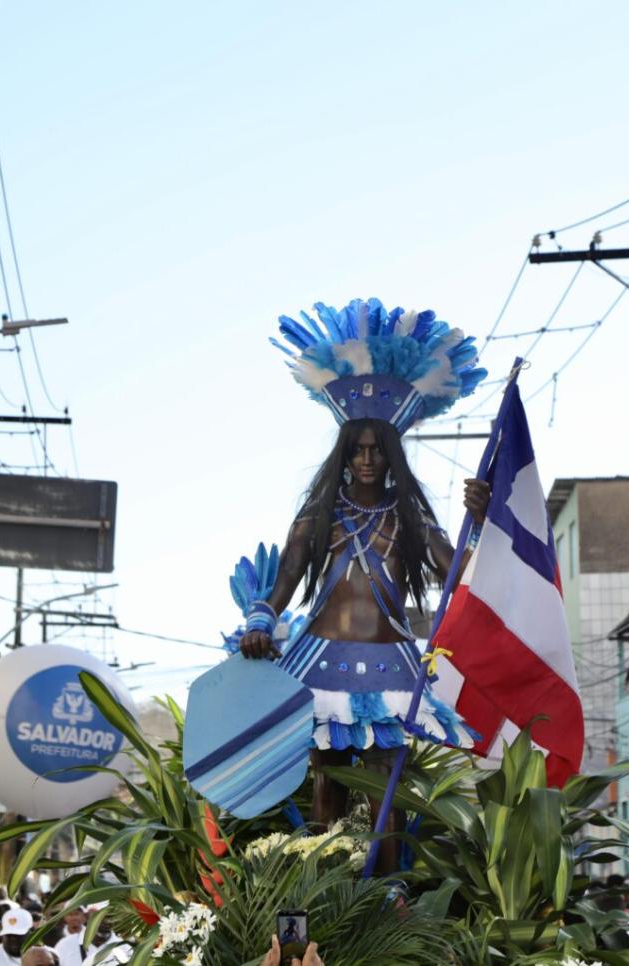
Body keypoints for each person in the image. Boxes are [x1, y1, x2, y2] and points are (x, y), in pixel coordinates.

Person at [238, 299, 489, 872]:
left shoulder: (412, 519)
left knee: (385, 789)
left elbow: (459, 574)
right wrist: (259, 622)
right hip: (320, 660)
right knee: (327, 784)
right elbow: (284, 583)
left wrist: (486, 518)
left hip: (390, 664)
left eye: (378, 450)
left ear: (392, 453)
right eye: (359, 450)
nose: (369, 459)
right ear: (345, 454)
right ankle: (323, 896)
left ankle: (387, 898)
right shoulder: (318, 517)